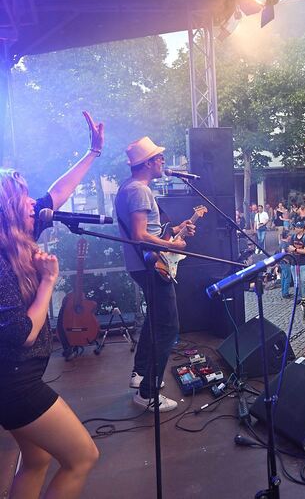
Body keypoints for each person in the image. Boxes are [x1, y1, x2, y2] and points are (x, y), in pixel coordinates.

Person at [0, 112, 103, 498]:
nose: (34, 201)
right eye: (23, 196)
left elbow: (57, 193)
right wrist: (47, 283)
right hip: (14, 384)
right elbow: (22, 335)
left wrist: (92, 152)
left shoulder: (20, 234)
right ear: (9, 210)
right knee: (83, 458)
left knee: (38, 459)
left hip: (18, 380)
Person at [115, 137, 196, 412]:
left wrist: (175, 231)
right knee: (168, 327)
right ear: (148, 163)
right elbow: (140, 236)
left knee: (154, 320)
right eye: (159, 158)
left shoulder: (131, 188)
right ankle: (148, 393)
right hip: (150, 266)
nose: (163, 161)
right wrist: (173, 245)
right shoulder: (139, 190)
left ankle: (140, 374)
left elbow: (149, 232)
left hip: (142, 265)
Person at [287, 220, 305, 299]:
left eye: (298, 227)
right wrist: (297, 250)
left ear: (302, 229)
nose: (296, 229)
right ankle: (298, 296)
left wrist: (295, 250)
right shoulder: (293, 237)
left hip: (303, 263)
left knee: (304, 281)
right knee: (296, 281)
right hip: (294, 262)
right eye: (296, 227)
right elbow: (289, 248)